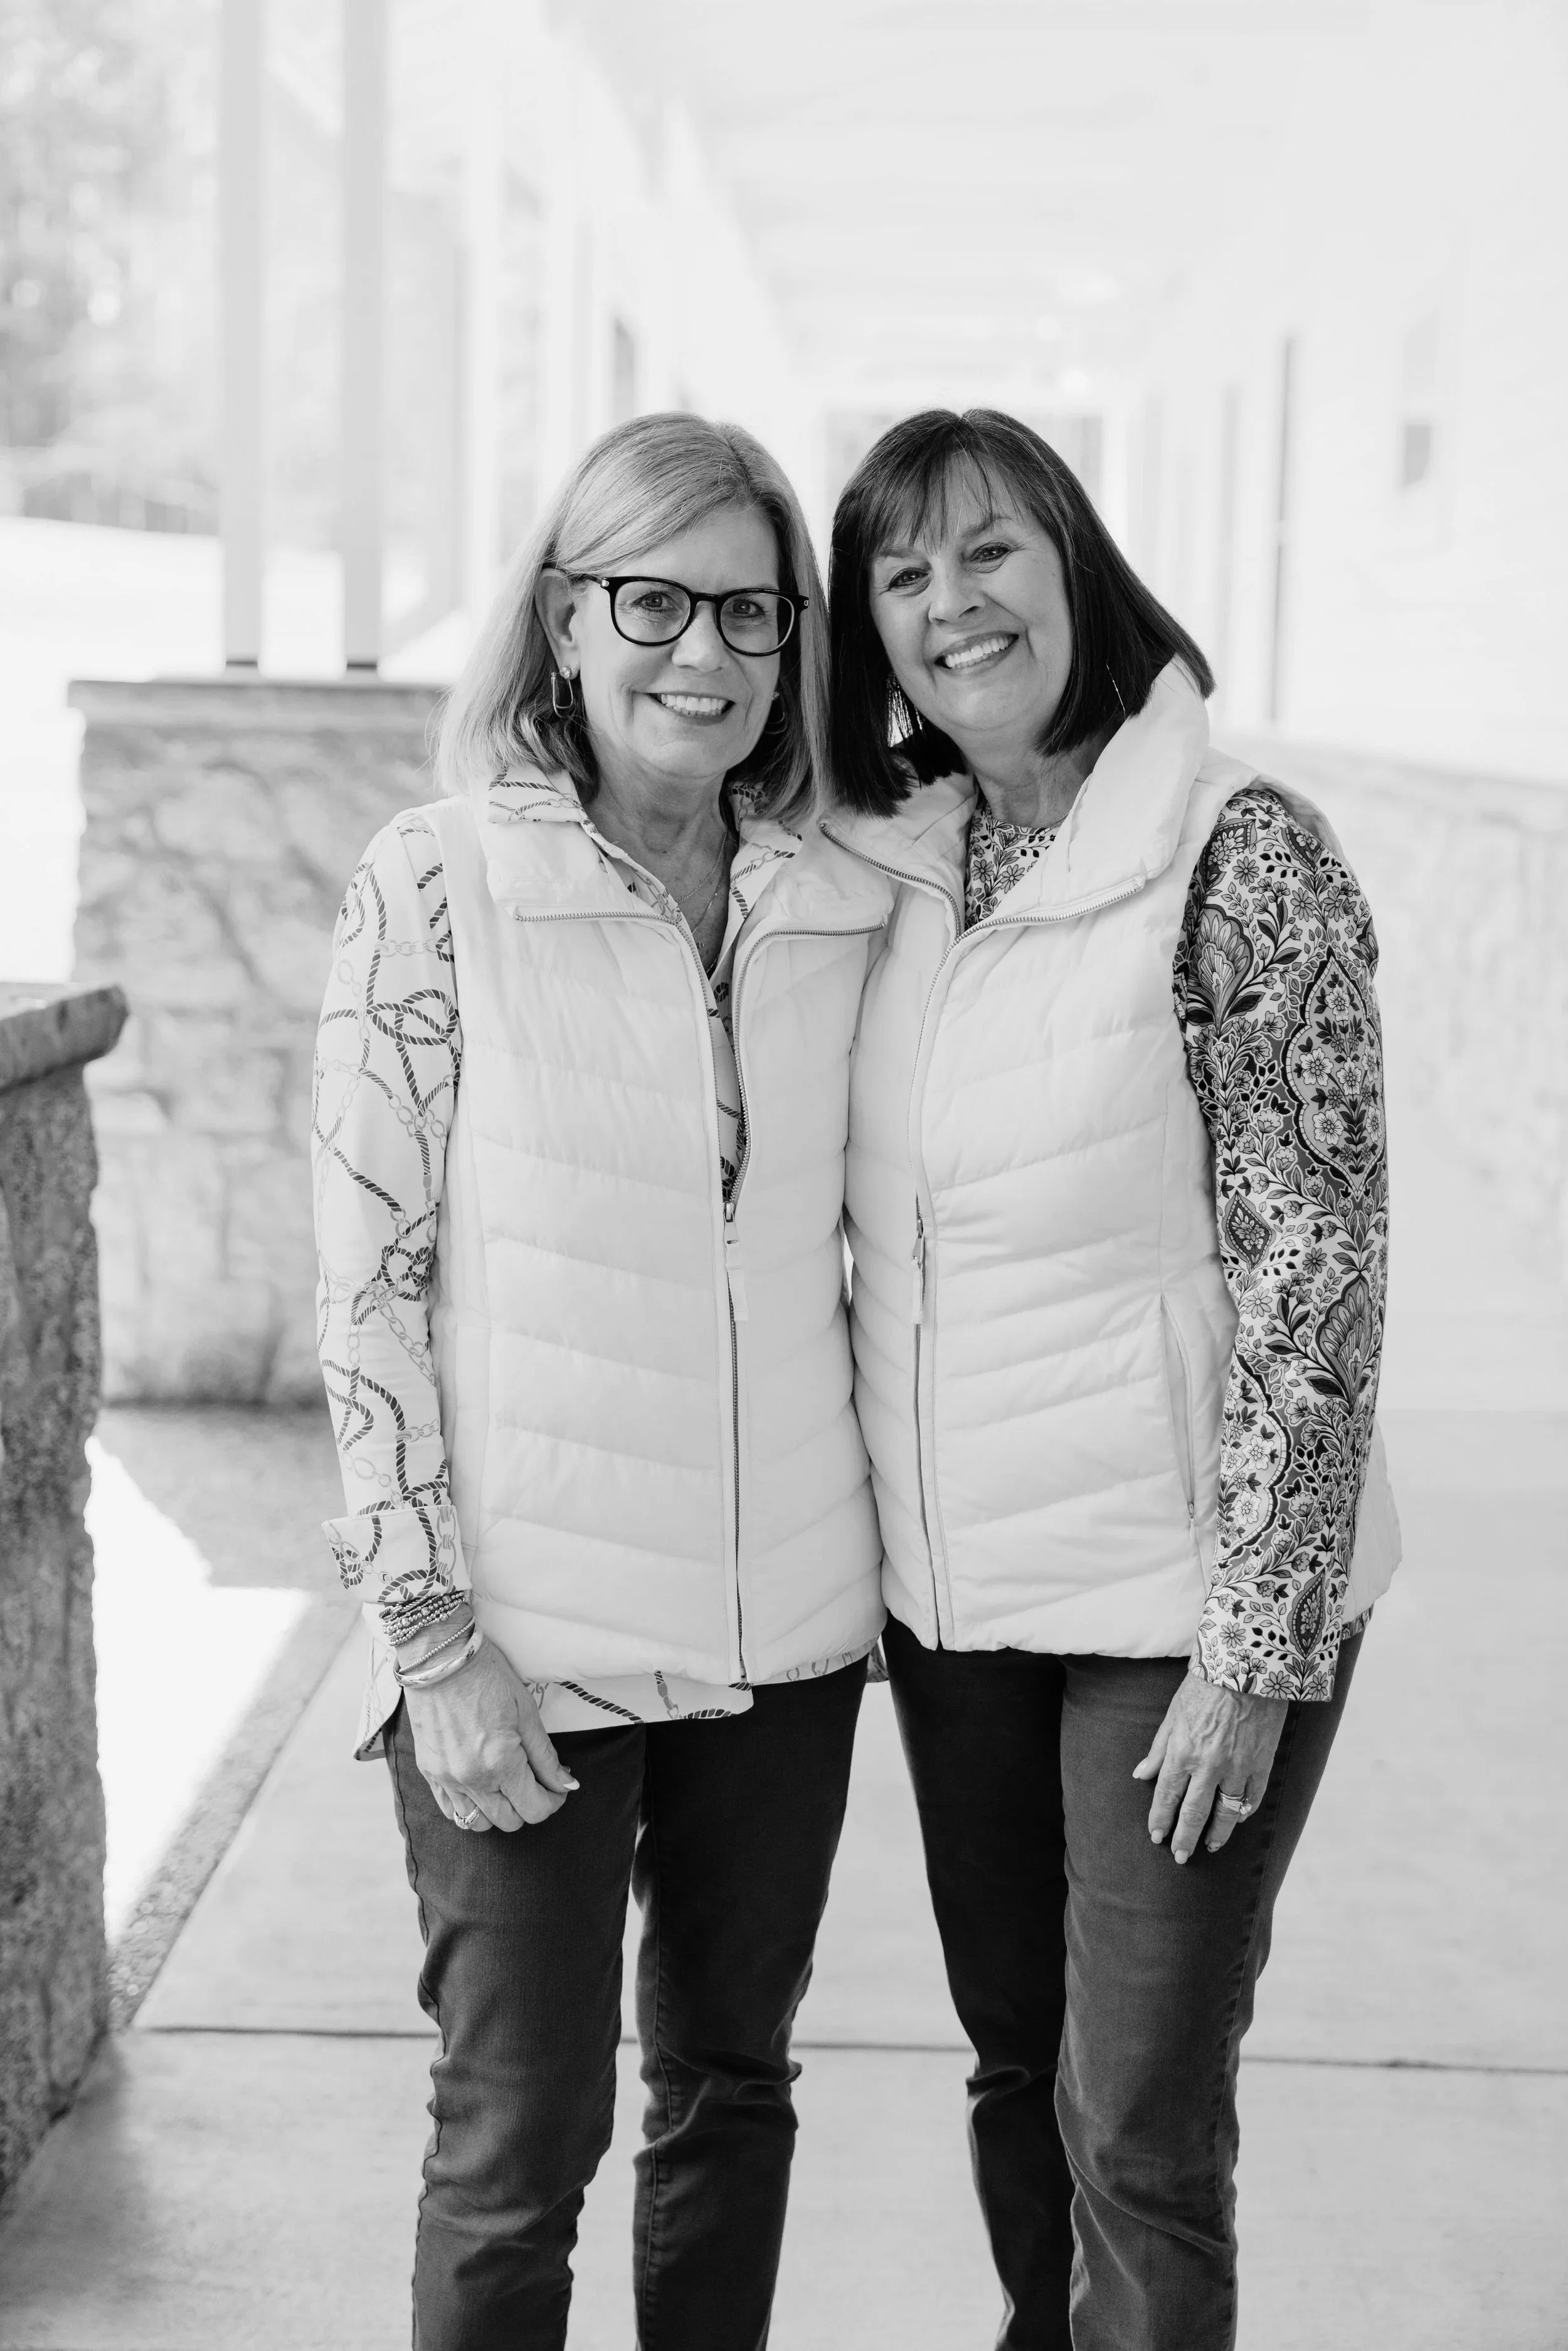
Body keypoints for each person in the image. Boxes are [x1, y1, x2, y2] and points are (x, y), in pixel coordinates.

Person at [823, 407, 1401, 2351]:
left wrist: (1259, 1643)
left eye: (986, 551)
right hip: (960, 1594)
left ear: (1073, 559)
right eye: (901, 575)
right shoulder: (888, 864)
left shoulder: (1239, 854)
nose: (950, 604)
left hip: (1181, 1603)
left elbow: (1317, 1268)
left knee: (1135, 2115)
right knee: (1014, 2066)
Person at [311, 412, 889, 2351]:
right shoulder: (435, 883)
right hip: (526, 1637)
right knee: (514, 2143)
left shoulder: (837, 899)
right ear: (564, 618)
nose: (701, 652)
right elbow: (367, 1292)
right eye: (652, 599)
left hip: (778, 1634)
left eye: (748, 608)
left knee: (729, 2094)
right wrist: (426, 1636)